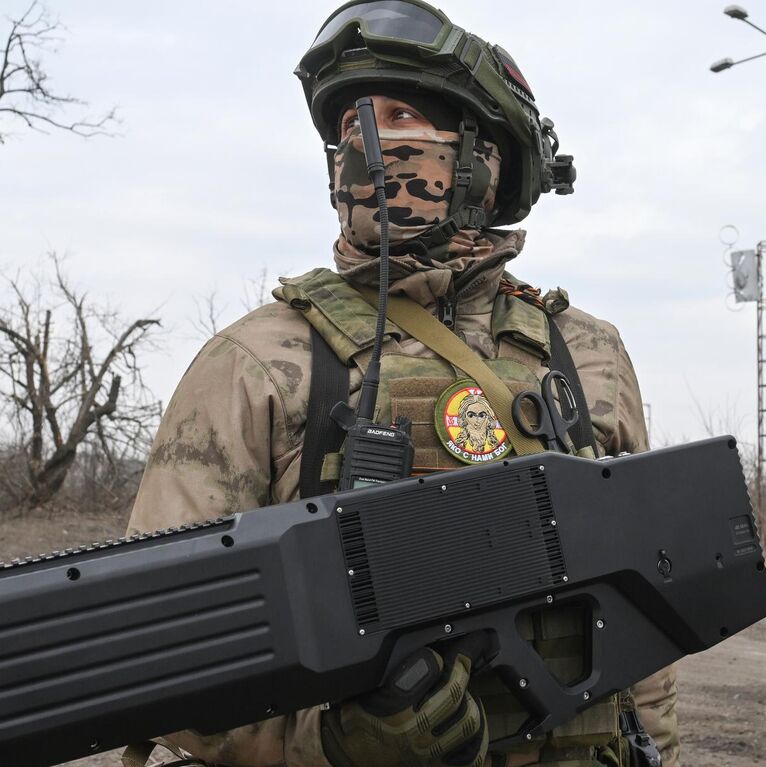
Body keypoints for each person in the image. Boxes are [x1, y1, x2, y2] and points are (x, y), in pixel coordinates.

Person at [122, 2, 679, 765]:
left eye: (400, 114)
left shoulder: (587, 356)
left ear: (486, 156)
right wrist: (336, 743)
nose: (366, 143)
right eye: (351, 123)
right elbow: (162, 655)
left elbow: (643, 633)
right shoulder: (261, 361)